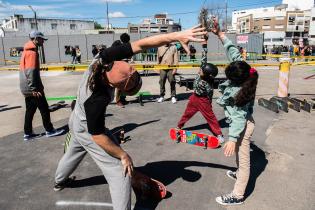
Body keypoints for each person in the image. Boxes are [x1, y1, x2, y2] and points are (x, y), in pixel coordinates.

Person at [54, 26, 207, 210]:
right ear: (116, 86)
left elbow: (143, 43)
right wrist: (123, 155)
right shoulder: (97, 99)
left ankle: (59, 181)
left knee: (73, 152)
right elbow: (97, 136)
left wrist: (176, 36)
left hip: (76, 118)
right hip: (88, 129)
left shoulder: (105, 57)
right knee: (120, 171)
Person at [211, 18, 258, 206]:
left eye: (228, 74)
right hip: (245, 122)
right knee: (240, 155)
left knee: (243, 160)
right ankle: (238, 173)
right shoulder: (244, 70)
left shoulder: (239, 93)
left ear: (235, 81)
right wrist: (220, 34)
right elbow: (233, 52)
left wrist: (232, 139)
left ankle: (238, 195)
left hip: (243, 127)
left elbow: (238, 120)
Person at [19, 31, 64, 141]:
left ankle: (28, 133)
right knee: (44, 109)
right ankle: (50, 130)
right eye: (41, 39)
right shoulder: (32, 53)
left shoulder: (26, 51)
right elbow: (31, 71)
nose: (43, 41)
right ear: (35, 39)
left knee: (30, 110)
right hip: (33, 88)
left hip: (25, 87)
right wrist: (34, 88)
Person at [176, 63, 224, 143]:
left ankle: (219, 134)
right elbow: (203, 63)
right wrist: (204, 53)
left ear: (206, 74)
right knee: (187, 114)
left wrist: (209, 104)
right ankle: (179, 126)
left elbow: (209, 94)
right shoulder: (200, 74)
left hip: (203, 101)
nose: (199, 70)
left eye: (201, 70)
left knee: (211, 118)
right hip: (194, 98)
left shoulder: (207, 84)